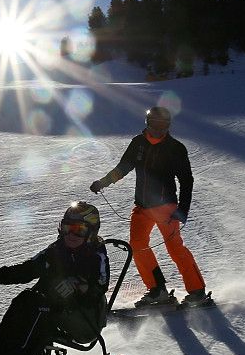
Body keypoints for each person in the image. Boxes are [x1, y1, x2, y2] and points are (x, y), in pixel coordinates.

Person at [0, 202, 110, 355]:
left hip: (86, 321)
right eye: (66, 228)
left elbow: (99, 287)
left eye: (79, 230)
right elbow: (23, 272)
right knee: (25, 299)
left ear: (91, 232)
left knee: (40, 305)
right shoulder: (56, 251)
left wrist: (80, 286)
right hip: (58, 311)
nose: (71, 235)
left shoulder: (95, 256)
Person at [89, 106, 207, 307]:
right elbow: (123, 167)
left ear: (168, 126)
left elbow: (186, 180)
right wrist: (103, 182)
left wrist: (183, 209)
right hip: (142, 208)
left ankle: (197, 291)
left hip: (166, 208)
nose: (158, 129)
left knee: (174, 248)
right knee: (137, 246)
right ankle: (157, 290)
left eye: (163, 125)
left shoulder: (176, 148)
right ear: (147, 123)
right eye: (154, 124)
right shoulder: (138, 143)